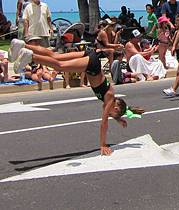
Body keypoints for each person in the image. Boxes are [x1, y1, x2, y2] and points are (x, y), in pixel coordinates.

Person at [10, 39, 143, 155]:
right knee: (60, 65)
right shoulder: (109, 97)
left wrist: (118, 119)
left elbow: (113, 113)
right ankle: (31, 57)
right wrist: (103, 144)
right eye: (112, 113)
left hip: (91, 56)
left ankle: (23, 45)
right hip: (92, 65)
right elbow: (104, 123)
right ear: (115, 106)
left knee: (55, 55)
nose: (109, 114)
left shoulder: (111, 99)